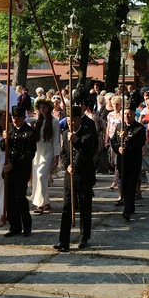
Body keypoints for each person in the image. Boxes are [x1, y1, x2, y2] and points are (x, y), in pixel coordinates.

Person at [53, 106, 97, 252]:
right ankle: (63, 240)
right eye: (68, 121)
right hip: (70, 176)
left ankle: (84, 237)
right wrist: (67, 166)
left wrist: (76, 141)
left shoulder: (88, 133)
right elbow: (64, 152)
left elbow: (89, 153)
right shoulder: (65, 133)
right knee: (67, 208)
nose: (70, 124)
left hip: (84, 176)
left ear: (79, 120)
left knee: (85, 208)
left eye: (73, 121)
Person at [1, 105, 37, 237]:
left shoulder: (30, 132)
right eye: (13, 118)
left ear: (23, 118)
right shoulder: (10, 131)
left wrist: (14, 165)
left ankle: (26, 225)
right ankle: (14, 226)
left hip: (21, 171)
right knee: (9, 199)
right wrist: (4, 139)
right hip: (9, 171)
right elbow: (4, 149)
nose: (15, 121)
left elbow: (29, 154)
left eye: (17, 118)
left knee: (19, 198)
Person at [111, 105, 146, 220]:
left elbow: (140, 143)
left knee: (131, 185)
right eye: (125, 114)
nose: (126, 116)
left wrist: (128, 138)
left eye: (129, 114)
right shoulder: (119, 126)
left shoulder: (139, 128)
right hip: (122, 161)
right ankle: (130, 206)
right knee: (124, 186)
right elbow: (114, 141)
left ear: (133, 115)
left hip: (134, 162)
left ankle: (127, 211)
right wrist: (118, 149)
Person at [31, 99, 60, 214]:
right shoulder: (38, 121)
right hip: (37, 152)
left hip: (48, 152)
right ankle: (46, 202)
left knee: (41, 176)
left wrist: (56, 155)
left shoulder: (54, 122)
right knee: (36, 177)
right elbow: (27, 119)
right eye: (40, 108)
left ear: (49, 108)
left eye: (44, 107)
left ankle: (40, 203)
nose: (42, 110)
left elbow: (57, 140)